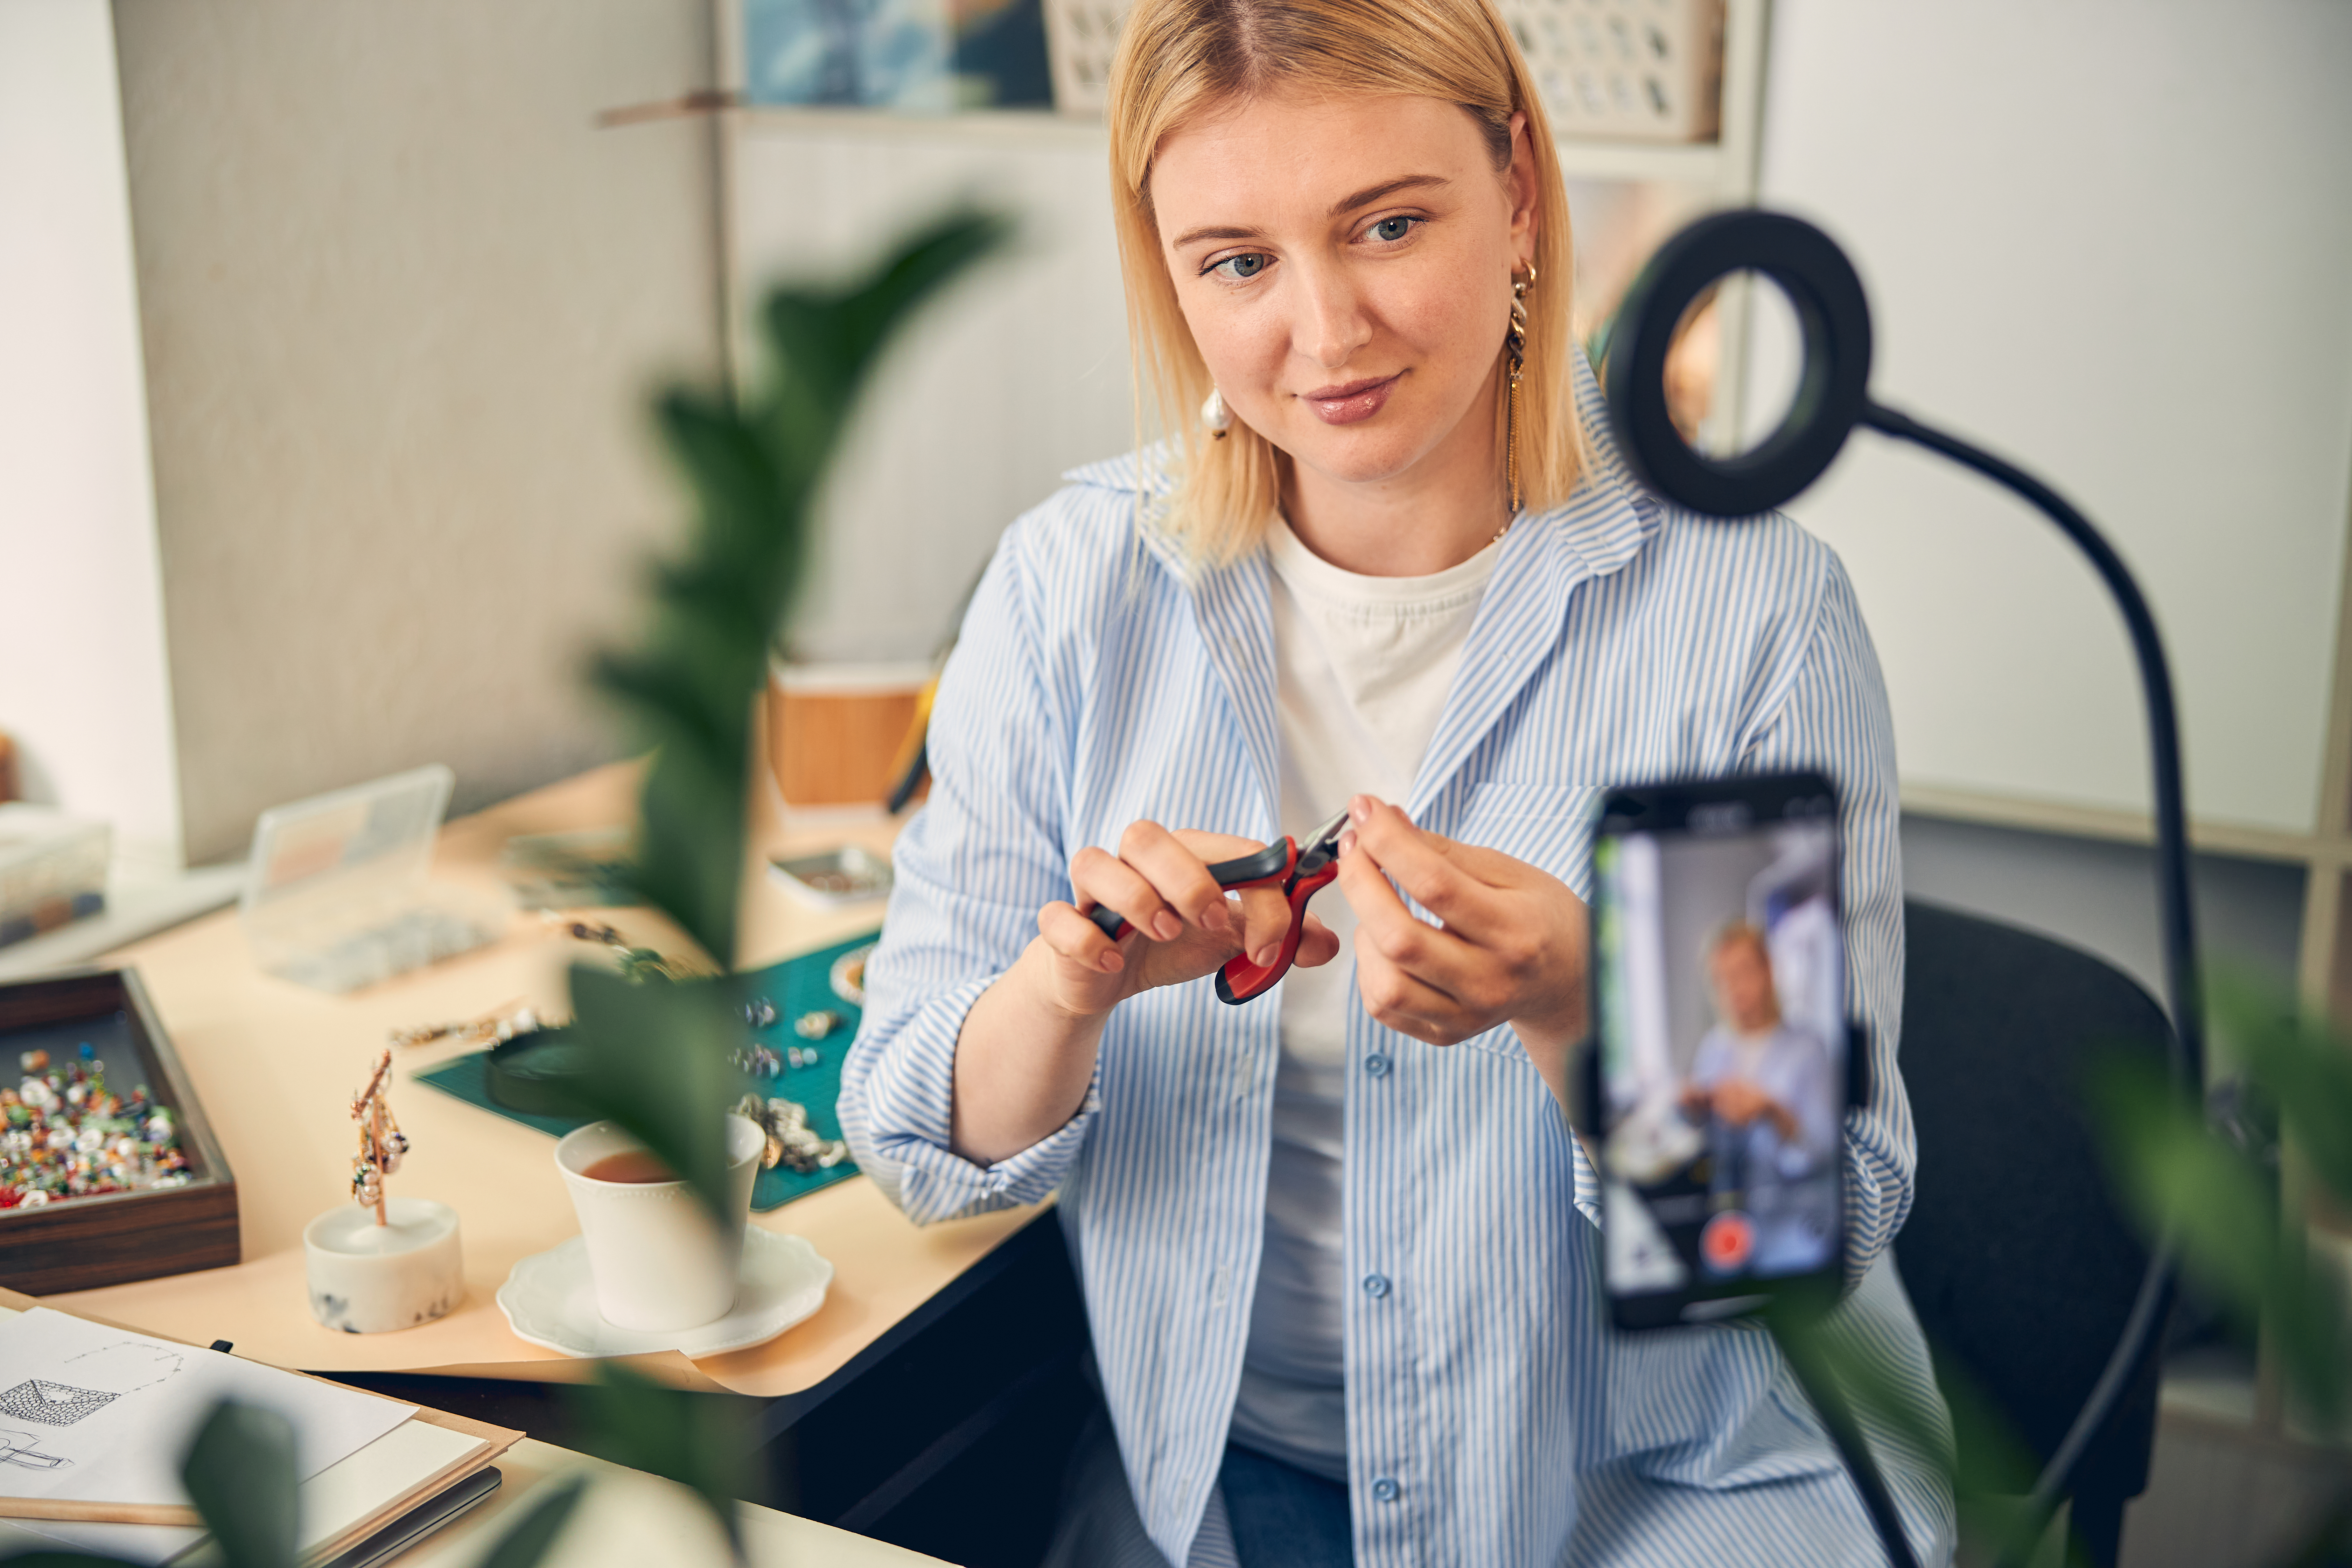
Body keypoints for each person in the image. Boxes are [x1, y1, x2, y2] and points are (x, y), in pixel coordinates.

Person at [840, 0, 1953, 1562]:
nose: (1324, 330)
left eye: (1385, 224)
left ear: (1517, 191)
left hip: (1657, 1498)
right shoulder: (1068, 589)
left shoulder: (1736, 618)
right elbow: (907, 1128)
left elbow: (1791, 1243)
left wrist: (1583, 1010)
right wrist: (1069, 984)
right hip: (1226, 1486)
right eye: (1237, 260)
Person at [1682, 921, 1842, 1275]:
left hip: (1795, 1223)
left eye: (1742, 973)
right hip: (1732, 1217)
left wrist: (1773, 1111)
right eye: (1721, 979)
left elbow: (1823, 1150)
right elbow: (1706, 1150)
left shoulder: (1810, 1048)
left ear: (1768, 970)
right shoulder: (1713, 1048)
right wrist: (1694, 1111)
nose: (1733, 990)